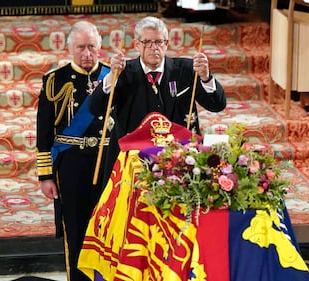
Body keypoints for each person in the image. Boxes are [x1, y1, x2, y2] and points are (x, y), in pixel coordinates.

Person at [90, 16, 226, 182]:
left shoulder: (186, 69)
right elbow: (95, 108)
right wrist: (112, 76)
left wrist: (205, 77)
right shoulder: (122, 72)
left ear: (167, 44)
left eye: (159, 42)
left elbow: (217, 105)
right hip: (132, 159)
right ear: (137, 45)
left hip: (179, 158)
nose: (154, 48)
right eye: (147, 42)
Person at [36, 20, 112, 281]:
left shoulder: (113, 77)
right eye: (81, 47)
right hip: (71, 163)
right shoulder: (55, 81)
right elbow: (43, 131)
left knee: (108, 226)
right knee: (77, 227)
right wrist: (46, 176)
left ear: (100, 47)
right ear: (70, 48)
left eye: (92, 47)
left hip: (107, 163)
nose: (87, 53)